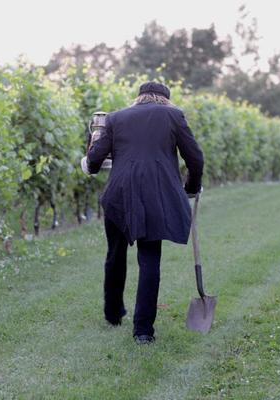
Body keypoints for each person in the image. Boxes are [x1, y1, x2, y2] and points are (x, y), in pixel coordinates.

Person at [80, 81, 204, 344]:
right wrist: (191, 187)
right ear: (165, 99)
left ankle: (113, 314)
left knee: (115, 254)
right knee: (150, 260)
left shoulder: (115, 118)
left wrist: (89, 161)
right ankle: (143, 331)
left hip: (119, 196)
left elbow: (94, 161)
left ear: (139, 98)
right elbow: (195, 158)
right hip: (154, 197)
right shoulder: (174, 115)